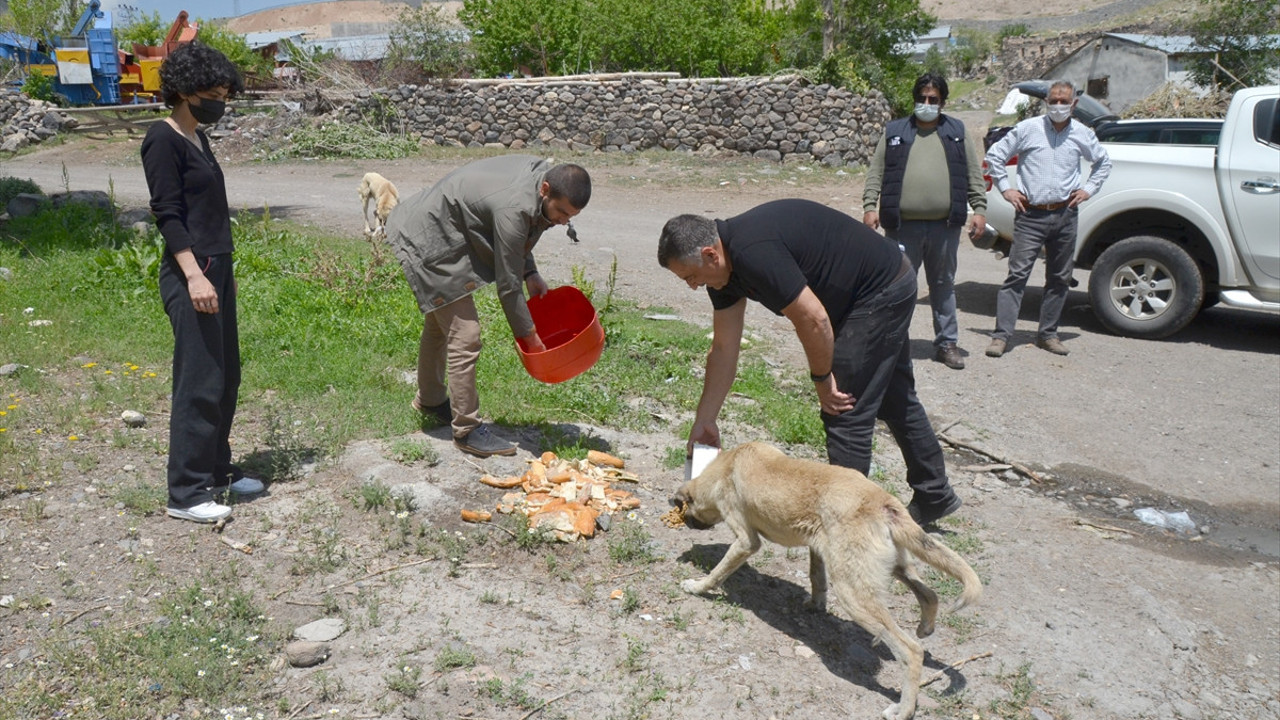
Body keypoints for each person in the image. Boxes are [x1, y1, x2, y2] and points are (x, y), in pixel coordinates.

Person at [657, 199, 963, 527]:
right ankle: (934, 494)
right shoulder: (722, 274)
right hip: (867, 287)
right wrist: (705, 420)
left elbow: (815, 320)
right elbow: (723, 349)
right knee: (894, 396)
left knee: (843, 410)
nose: (692, 286)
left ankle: (849, 524)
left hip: (880, 287)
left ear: (709, 254)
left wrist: (822, 379)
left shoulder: (753, 251)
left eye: (690, 276)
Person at [383, 155, 591, 458]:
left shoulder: (537, 187)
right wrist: (530, 336)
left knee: (440, 325)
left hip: (447, 227)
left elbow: (517, 235)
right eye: (561, 212)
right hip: (429, 236)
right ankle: (466, 430)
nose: (562, 221)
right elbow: (508, 286)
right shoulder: (515, 205)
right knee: (465, 335)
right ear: (546, 188)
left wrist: (530, 273)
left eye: (570, 217)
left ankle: (429, 400)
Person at [141, 42, 262, 523]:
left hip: (218, 266)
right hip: (193, 271)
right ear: (186, 91)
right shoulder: (162, 138)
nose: (220, 103)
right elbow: (167, 215)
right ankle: (186, 493)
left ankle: (217, 469)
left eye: (225, 94)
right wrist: (194, 275)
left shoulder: (197, 138)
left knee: (225, 373)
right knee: (199, 379)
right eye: (213, 93)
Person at [862, 72, 986, 370]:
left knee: (943, 284)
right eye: (922, 99)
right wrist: (869, 205)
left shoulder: (956, 131)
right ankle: (890, 343)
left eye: (933, 99)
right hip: (902, 227)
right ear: (914, 99)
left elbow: (973, 172)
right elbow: (876, 171)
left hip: (945, 227)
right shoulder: (895, 131)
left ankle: (947, 343)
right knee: (896, 286)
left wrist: (979, 208)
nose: (926, 104)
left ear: (943, 102)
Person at [984, 80, 1112, 357]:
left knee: (1060, 277)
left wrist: (1088, 189)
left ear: (1073, 104)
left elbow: (1103, 162)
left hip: (1065, 214)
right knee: (1017, 276)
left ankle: (1048, 334)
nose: (1057, 106)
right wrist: (1006, 189)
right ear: (1046, 101)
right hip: (1030, 215)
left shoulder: (1082, 133)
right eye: (1053, 100)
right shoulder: (1027, 129)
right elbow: (995, 155)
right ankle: (1002, 336)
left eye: (1063, 101)